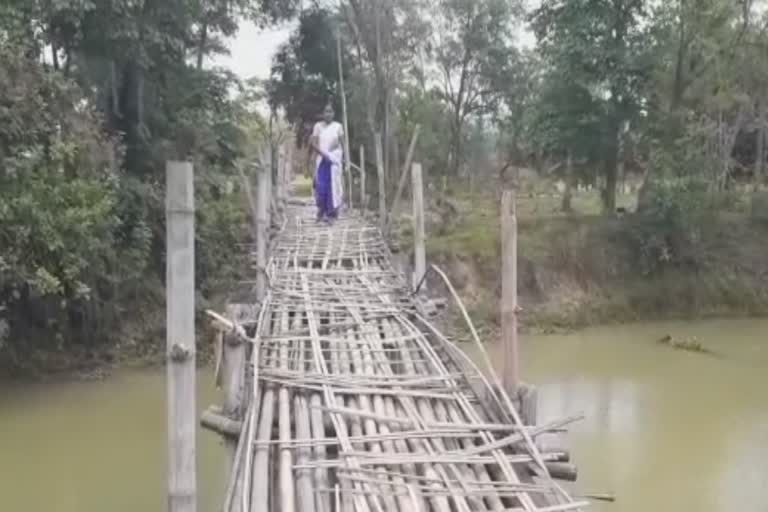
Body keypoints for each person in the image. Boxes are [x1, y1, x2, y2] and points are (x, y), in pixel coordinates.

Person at [309, 103, 344, 223]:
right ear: (323, 114)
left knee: (333, 187)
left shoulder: (338, 126)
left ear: (333, 114)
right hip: (321, 161)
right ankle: (321, 211)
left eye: (330, 112)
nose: (328, 114)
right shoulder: (318, 126)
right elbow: (313, 143)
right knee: (321, 187)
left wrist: (339, 158)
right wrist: (323, 155)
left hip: (334, 161)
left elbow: (341, 145)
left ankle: (331, 214)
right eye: (326, 111)